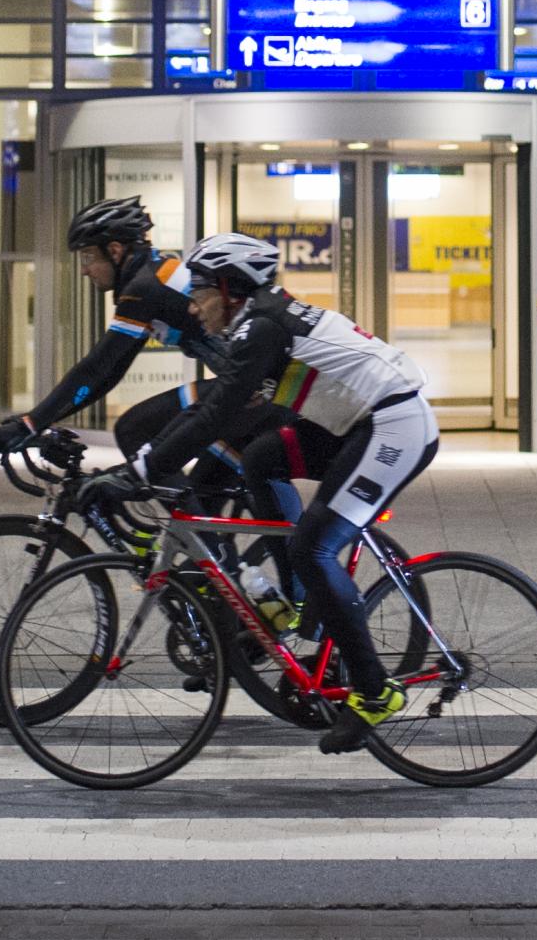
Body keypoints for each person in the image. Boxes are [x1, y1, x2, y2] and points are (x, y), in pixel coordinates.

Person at [132, 230, 439, 752]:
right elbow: (226, 415)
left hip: (394, 425)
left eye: (201, 293)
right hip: (356, 422)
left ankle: (373, 690)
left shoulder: (262, 327)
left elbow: (219, 410)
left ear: (231, 289)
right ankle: (300, 606)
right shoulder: (259, 322)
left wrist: (148, 464)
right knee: (261, 458)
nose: (195, 307)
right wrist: (155, 458)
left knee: (313, 546)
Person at [0, 195, 230, 469]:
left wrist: (30, 424)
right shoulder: (151, 276)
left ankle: (176, 512)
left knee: (132, 429)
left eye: (88, 257)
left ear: (116, 251)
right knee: (207, 483)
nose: (84, 270)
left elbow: (94, 368)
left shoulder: (145, 288)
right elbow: (109, 373)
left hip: (254, 384)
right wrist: (38, 421)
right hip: (253, 381)